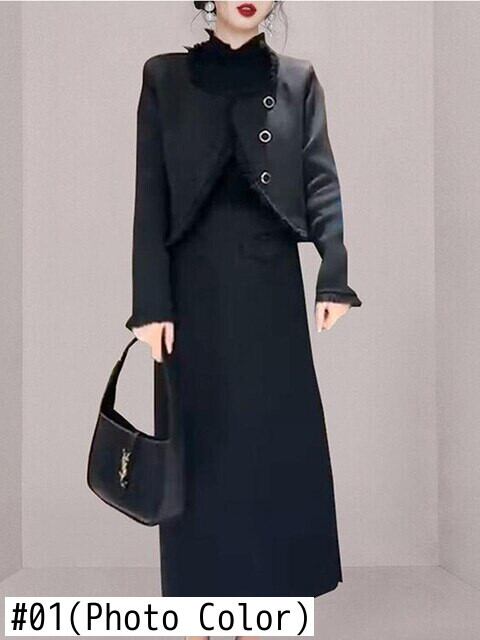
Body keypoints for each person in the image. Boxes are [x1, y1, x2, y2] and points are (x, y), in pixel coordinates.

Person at [125, 0, 362, 626]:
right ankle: (197, 617)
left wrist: (333, 277)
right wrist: (150, 303)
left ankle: (261, 616)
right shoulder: (163, 76)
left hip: (269, 290)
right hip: (189, 297)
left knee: (267, 456)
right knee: (195, 460)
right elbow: (150, 192)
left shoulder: (298, 79)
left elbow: (320, 180)